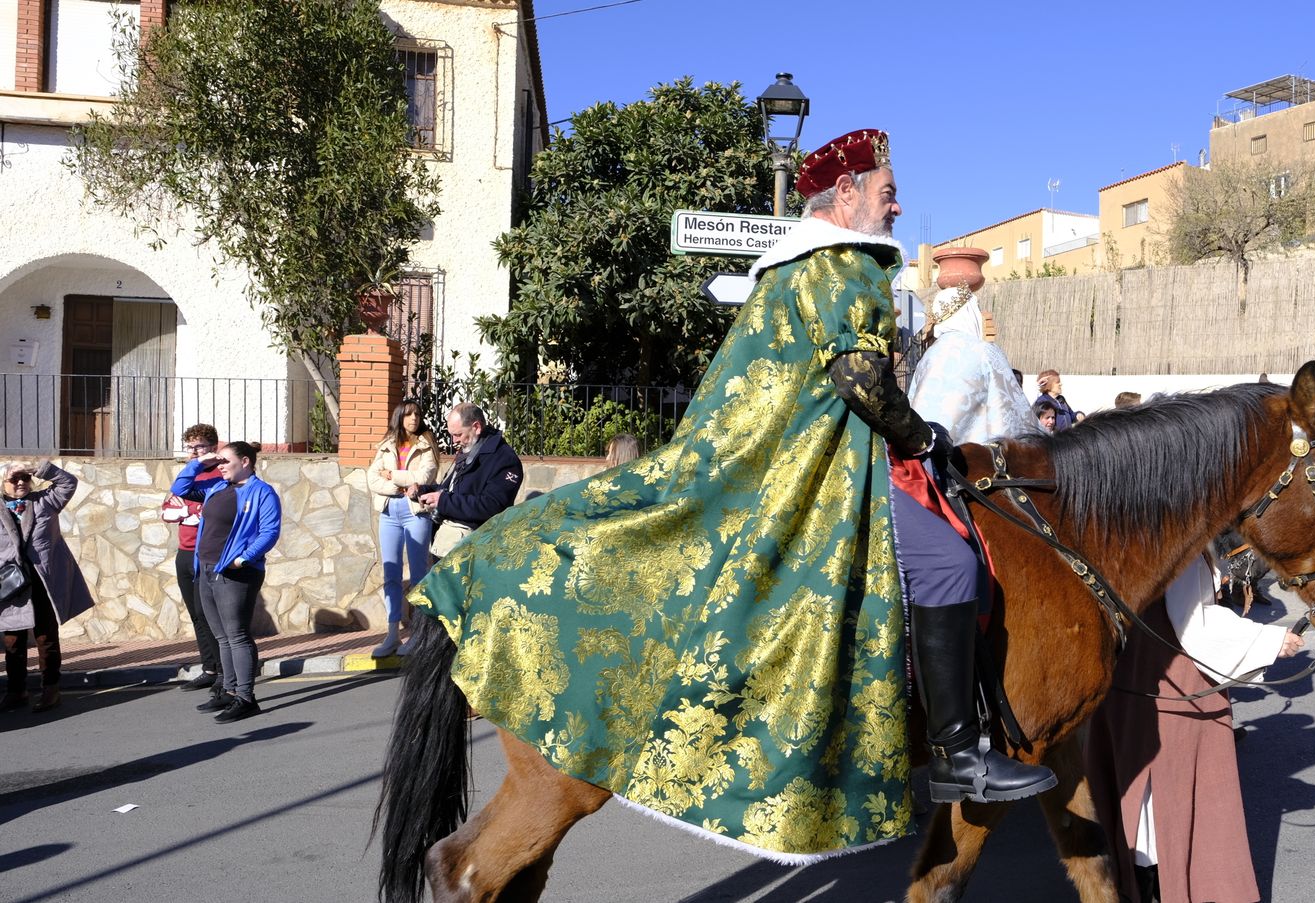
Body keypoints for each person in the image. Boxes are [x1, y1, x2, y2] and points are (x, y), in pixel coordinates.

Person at [408, 128, 1055, 861]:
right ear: (844, 195)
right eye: (886, 191)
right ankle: (957, 755)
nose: (898, 205)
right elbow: (862, 382)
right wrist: (924, 438)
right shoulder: (850, 266)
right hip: (815, 477)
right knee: (951, 562)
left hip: (758, 465)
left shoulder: (787, 272)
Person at [1086, 556, 1305, 903]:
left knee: (1142, 794)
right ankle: (1162, 887)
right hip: (1172, 685)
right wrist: (1268, 641)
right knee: (1167, 797)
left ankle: (1141, 884)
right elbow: (1196, 627)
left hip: (1132, 676)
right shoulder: (1179, 542)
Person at [171, 441, 282, 723]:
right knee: (221, 635)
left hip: (235, 572)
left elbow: (269, 531)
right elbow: (180, 489)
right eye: (219, 462)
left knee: (237, 635)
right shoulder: (218, 487)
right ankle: (229, 691)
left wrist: (244, 558)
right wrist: (201, 462)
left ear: (245, 462)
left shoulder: (262, 492)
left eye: (225, 461)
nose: (220, 466)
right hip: (207, 569)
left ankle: (246, 698)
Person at [0, 460, 94, 714]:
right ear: (3, 482)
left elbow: (68, 482)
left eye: (25, 479)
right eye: (14, 479)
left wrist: (35, 469)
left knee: (46, 636)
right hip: (10, 583)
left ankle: (51, 689)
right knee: (13, 640)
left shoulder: (45, 500)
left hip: (43, 580)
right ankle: (16, 691)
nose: (21, 483)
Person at [907, 283, 1042, 445]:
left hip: (925, 454)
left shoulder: (928, 356)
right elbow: (1012, 415)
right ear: (969, 313)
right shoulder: (984, 351)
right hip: (969, 462)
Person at [367, 401, 440, 658]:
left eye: (418, 414)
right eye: (409, 414)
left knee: (420, 574)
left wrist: (392, 475)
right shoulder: (387, 443)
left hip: (415, 511)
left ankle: (418, 636)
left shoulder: (426, 443)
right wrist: (398, 485)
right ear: (399, 417)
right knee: (391, 573)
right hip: (389, 511)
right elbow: (372, 478)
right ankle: (392, 634)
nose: (414, 419)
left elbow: (424, 478)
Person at [160, 424, 225, 691]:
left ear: (212, 447)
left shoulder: (220, 474)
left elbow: (208, 511)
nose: (192, 452)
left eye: (198, 447)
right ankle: (209, 667)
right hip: (184, 552)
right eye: (189, 447)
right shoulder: (190, 473)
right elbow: (169, 509)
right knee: (196, 615)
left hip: (207, 554)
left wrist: (187, 510)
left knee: (209, 612)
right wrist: (186, 510)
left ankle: (225, 671)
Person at [417, 403, 522, 559]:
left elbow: (492, 506)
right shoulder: (470, 448)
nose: (453, 441)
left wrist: (443, 501)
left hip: (476, 549)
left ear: (476, 427)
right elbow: (450, 490)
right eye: (451, 434)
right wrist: (424, 491)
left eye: (458, 434)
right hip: (448, 544)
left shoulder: (504, 459)